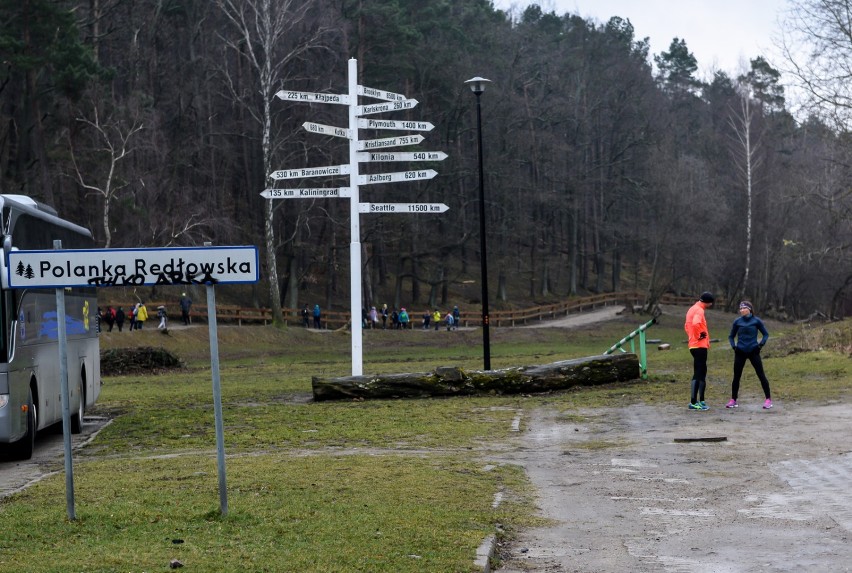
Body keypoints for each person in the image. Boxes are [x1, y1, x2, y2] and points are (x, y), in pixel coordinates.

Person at [727, 300, 773, 409]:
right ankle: (733, 400)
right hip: (740, 352)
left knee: (761, 375)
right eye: (740, 308)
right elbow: (731, 336)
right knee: (736, 377)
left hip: (753, 351)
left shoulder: (756, 321)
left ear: (749, 309)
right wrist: (734, 346)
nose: (741, 310)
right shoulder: (737, 321)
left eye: (744, 308)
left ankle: (768, 400)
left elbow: (766, 334)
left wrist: (760, 345)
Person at [685, 292, 714, 410]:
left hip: (694, 345)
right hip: (699, 345)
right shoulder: (699, 310)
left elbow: (686, 326)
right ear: (708, 302)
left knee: (702, 372)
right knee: (698, 372)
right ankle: (693, 402)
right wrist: (700, 336)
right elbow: (696, 323)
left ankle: (701, 400)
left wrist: (692, 337)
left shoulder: (692, 309)